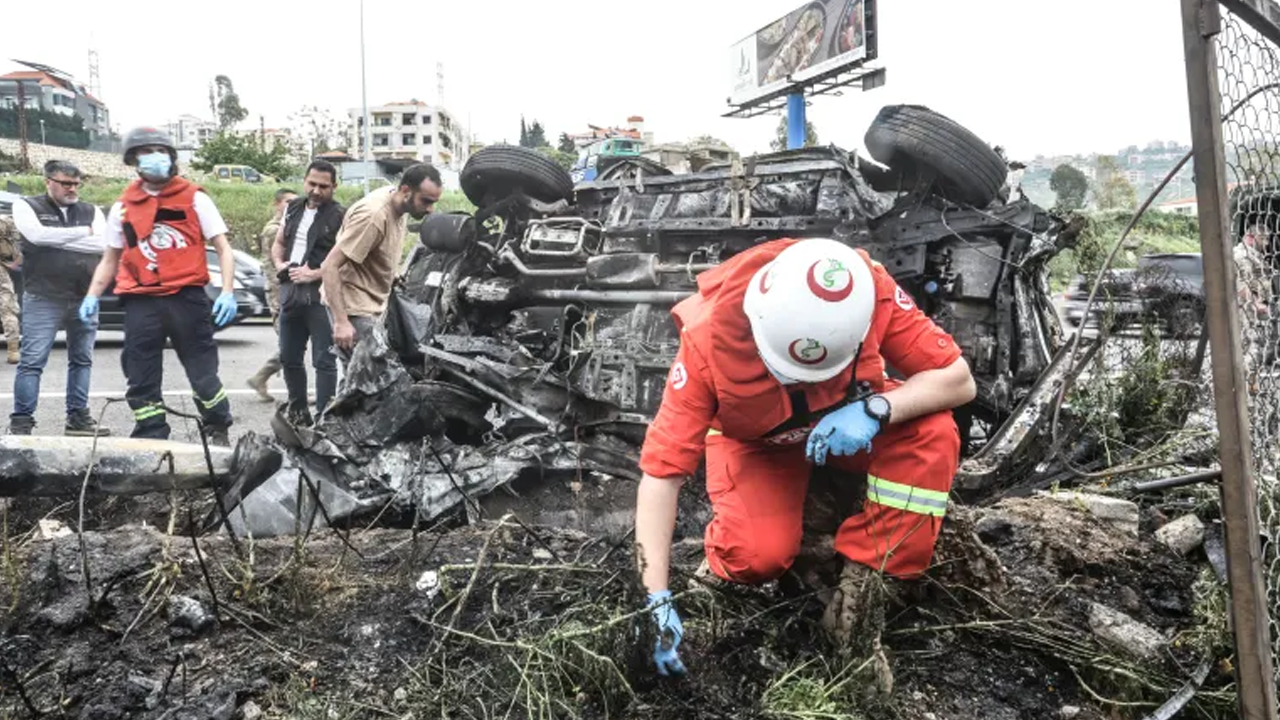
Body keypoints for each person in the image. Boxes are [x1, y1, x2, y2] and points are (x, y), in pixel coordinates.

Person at [633, 238, 976, 680]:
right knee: (756, 556)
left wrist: (877, 410)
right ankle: (720, 566)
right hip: (759, 446)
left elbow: (959, 380)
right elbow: (661, 475)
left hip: (851, 429)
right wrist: (654, 597)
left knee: (932, 432)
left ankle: (859, 603)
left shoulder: (868, 291)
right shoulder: (706, 339)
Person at [80, 127, 239, 446]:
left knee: (203, 374)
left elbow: (222, 247)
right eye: (146, 151)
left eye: (160, 150)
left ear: (171, 157)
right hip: (142, 302)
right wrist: (92, 295)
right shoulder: (123, 206)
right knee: (141, 376)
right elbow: (111, 257)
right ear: (133, 160)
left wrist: (227, 292)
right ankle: (152, 438)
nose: (155, 156)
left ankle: (216, 426)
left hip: (187, 299)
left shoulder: (195, 197)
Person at [8, 160, 109, 437]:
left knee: (82, 360)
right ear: (48, 181)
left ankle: (77, 418)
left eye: (76, 184)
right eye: (66, 183)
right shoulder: (27, 206)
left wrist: (57, 239)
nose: (72, 189)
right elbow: (37, 237)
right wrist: (83, 233)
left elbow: (103, 244)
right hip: (43, 297)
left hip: (83, 296)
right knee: (32, 362)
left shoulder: (90, 210)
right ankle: (21, 422)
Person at [321, 163, 442, 368]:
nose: (430, 209)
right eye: (426, 201)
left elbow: (376, 251)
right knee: (368, 381)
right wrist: (341, 322)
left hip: (372, 302)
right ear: (405, 190)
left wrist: (392, 275)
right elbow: (329, 266)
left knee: (360, 381)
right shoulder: (373, 216)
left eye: (434, 202)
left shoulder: (399, 203)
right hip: (353, 307)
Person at [271, 161, 345, 424]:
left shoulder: (340, 216)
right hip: (290, 294)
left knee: (324, 361)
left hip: (321, 297)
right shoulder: (293, 208)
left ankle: (324, 419)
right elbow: (279, 243)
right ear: (304, 180)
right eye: (312, 184)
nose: (316, 190)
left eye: (323, 186)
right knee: (289, 357)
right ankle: (298, 413)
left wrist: (314, 274)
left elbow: (346, 259)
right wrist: (281, 265)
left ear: (334, 187)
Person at [245, 187, 298, 401]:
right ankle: (262, 377)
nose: (292, 206)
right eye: (288, 202)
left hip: (287, 291)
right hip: (279, 293)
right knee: (290, 343)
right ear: (277, 204)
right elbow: (276, 268)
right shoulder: (273, 230)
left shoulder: (287, 227)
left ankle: (265, 379)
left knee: (294, 343)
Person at [0, 215, 22, 365]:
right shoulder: (6, 220)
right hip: (2, 270)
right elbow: (20, 244)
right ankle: (13, 351)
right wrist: (15, 262)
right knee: (8, 309)